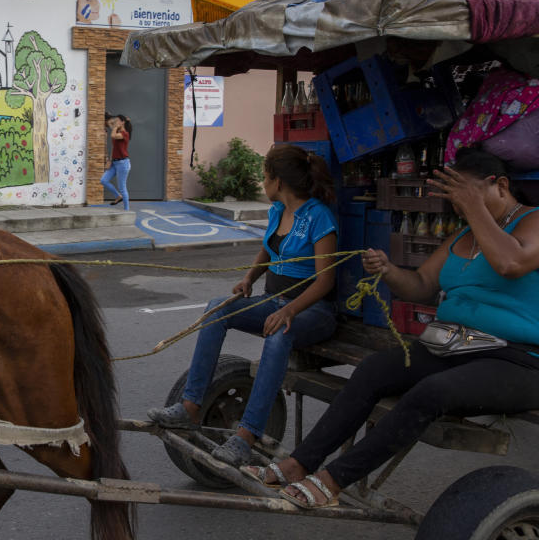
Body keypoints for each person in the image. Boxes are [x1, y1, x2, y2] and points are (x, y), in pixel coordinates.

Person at [242, 147, 539, 509]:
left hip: (516, 358)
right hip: (456, 345)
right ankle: (297, 464)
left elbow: (512, 263)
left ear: (502, 186)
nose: (459, 208)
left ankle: (333, 480)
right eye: (456, 200)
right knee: (373, 370)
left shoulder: (533, 221)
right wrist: (388, 270)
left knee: (433, 391)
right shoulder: (462, 237)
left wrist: (474, 208)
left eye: (467, 197)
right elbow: (422, 285)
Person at [148, 144, 339, 466]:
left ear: (278, 181)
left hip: (313, 311)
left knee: (280, 335)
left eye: (264, 177)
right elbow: (268, 249)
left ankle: (246, 436)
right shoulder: (278, 211)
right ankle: (190, 407)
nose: (262, 183)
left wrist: (289, 311)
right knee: (217, 308)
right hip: (275, 301)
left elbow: (325, 281)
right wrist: (249, 278)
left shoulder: (319, 216)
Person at [101, 113, 132, 210]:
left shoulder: (124, 134)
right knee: (103, 180)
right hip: (114, 162)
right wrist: (110, 161)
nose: (116, 122)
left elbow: (113, 135)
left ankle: (127, 210)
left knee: (122, 187)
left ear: (122, 123)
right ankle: (118, 196)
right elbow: (115, 148)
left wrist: (116, 126)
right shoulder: (118, 131)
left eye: (118, 120)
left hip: (123, 164)